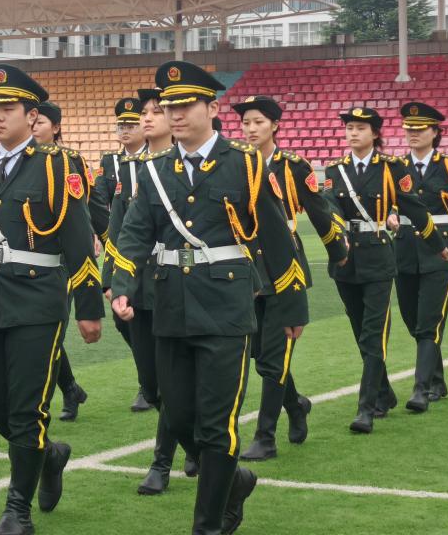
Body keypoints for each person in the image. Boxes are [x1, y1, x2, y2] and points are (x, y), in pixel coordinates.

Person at [111, 61, 306, 535]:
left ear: (212, 108)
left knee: (218, 425)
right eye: (168, 106)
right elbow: (135, 233)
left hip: (226, 307)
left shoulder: (245, 164)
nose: (175, 114)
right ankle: (234, 481)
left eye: (184, 105)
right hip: (170, 306)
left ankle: (208, 525)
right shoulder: (156, 172)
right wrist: (121, 284)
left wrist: (291, 305)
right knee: (176, 417)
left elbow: (277, 238)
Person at [0, 64, 103, 535]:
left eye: (7, 109)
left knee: (26, 408)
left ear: (32, 116)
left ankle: (18, 510)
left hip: (38, 302)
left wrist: (90, 309)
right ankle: (49, 455)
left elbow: (78, 242)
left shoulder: (57, 167)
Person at [232, 96, 348, 461]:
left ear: (275, 126)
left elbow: (319, 210)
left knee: (272, 357)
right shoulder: (234, 163)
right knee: (262, 357)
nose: (251, 129)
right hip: (248, 268)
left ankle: (265, 437)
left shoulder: (294, 166)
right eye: (247, 122)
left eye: (258, 123)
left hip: (285, 268)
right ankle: (296, 405)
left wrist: (339, 251)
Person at [323, 106, 447, 434]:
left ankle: (367, 408)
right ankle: (385, 391)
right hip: (346, 261)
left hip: (378, 258)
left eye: (361, 128)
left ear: (375, 134)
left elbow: (413, 207)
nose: (353, 133)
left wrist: (436, 243)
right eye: (349, 127)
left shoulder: (392, 167)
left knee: (373, 333)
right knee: (359, 329)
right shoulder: (336, 170)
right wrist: (337, 240)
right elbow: (329, 206)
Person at [107, 87, 198, 495]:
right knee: (152, 382)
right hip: (139, 287)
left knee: (170, 378)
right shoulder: (134, 167)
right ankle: (193, 443)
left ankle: (161, 462)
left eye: (156, 111)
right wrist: (114, 280)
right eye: (144, 112)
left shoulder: (188, 167)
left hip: (177, 285)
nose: (147, 118)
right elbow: (121, 230)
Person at [390, 102, 448, 412]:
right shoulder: (395, 168)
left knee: (429, 322)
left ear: (435, 132)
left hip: (440, 250)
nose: (413, 133)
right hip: (404, 249)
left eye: (420, 129)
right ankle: (438, 380)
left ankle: (420, 389)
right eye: (409, 129)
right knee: (413, 321)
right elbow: (381, 201)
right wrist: (388, 214)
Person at [32, 100, 105, 422]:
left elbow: (91, 206)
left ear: (56, 128)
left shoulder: (70, 161)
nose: (34, 127)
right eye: (32, 121)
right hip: (28, 259)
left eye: (41, 122)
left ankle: (40, 406)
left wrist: (98, 236)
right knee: (39, 334)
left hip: (64, 259)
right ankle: (71, 387)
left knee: (49, 334)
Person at [96, 97, 155, 412]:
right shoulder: (111, 162)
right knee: (124, 321)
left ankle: (149, 383)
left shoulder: (154, 160)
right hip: (122, 246)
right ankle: (149, 373)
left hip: (153, 256)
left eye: (131, 124)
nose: (126, 130)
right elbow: (103, 204)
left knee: (149, 319)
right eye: (122, 125)